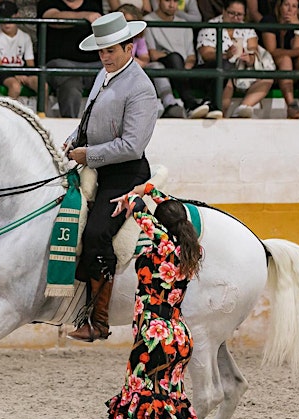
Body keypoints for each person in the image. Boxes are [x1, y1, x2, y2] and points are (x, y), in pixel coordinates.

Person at [101, 182, 208, 419]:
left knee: (146, 404)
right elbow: (170, 209)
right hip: (178, 334)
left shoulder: (160, 242)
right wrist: (149, 188)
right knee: (170, 404)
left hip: (153, 336)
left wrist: (134, 196)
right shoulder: (192, 248)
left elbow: (139, 213)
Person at [64, 12, 160, 342]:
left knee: (96, 232)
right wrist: (74, 139)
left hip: (124, 176)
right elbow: (89, 120)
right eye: (101, 51)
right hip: (97, 168)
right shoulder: (104, 75)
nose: (104, 57)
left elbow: (132, 146)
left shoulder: (142, 89)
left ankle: (99, 319)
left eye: (111, 51)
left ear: (129, 48)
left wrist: (88, 155)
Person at [196, 0, 274, 118]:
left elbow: (253, 49)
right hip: (220, 71)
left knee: (267, 79)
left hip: (242, 69)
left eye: (239, 15)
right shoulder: (210, 26)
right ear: (224, 11)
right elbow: (206, 54)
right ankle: (220, 116)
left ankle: (242, 108)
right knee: (226, 82)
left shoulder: (247, 28)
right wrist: (224, 56)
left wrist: (249, 58)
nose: (236, 18)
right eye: (232, 13)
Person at [38, 0, 105, 117]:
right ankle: (70, 129)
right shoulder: (47, 2)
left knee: (113, 79)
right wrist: (85, 16)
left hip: (95, 64)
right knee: (71, 86)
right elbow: (52, 17)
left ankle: (109, 128)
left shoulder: (94, 3)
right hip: (62, 64)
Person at [144, 0, 209, 118]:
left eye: (175, 1)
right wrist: (175, 60)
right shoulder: (148, 21)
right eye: (168, 0)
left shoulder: (184, 23)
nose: (172, 5)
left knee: (216, 67)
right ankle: (190, 104)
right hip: (165, 64)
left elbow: (191, 56)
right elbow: (153, 54)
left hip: (183, 70)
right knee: (175, 57)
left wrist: (184, 68)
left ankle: (210, 105)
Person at [262, 0, 299, 118]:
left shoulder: (296, 23)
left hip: (290, 69)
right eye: (287, 5)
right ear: (279, 6)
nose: (290, 10)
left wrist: (297, 29)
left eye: (294, 6)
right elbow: (272, 51)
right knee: (285, 59)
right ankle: (291, 106)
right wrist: (297, 52)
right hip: (269, 67)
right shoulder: (269, 20)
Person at [0, 0, 43, 98]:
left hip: (20, 71)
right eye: (3, 18)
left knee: (42, 86)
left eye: (9, 17)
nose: (6, 22)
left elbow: (30, 64)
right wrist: (15, 76)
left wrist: (26, 75)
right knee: (15, 86)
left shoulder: (25, 37)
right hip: (0, 73)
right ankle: (9, 114)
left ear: (17, 15)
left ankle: (42, 113)